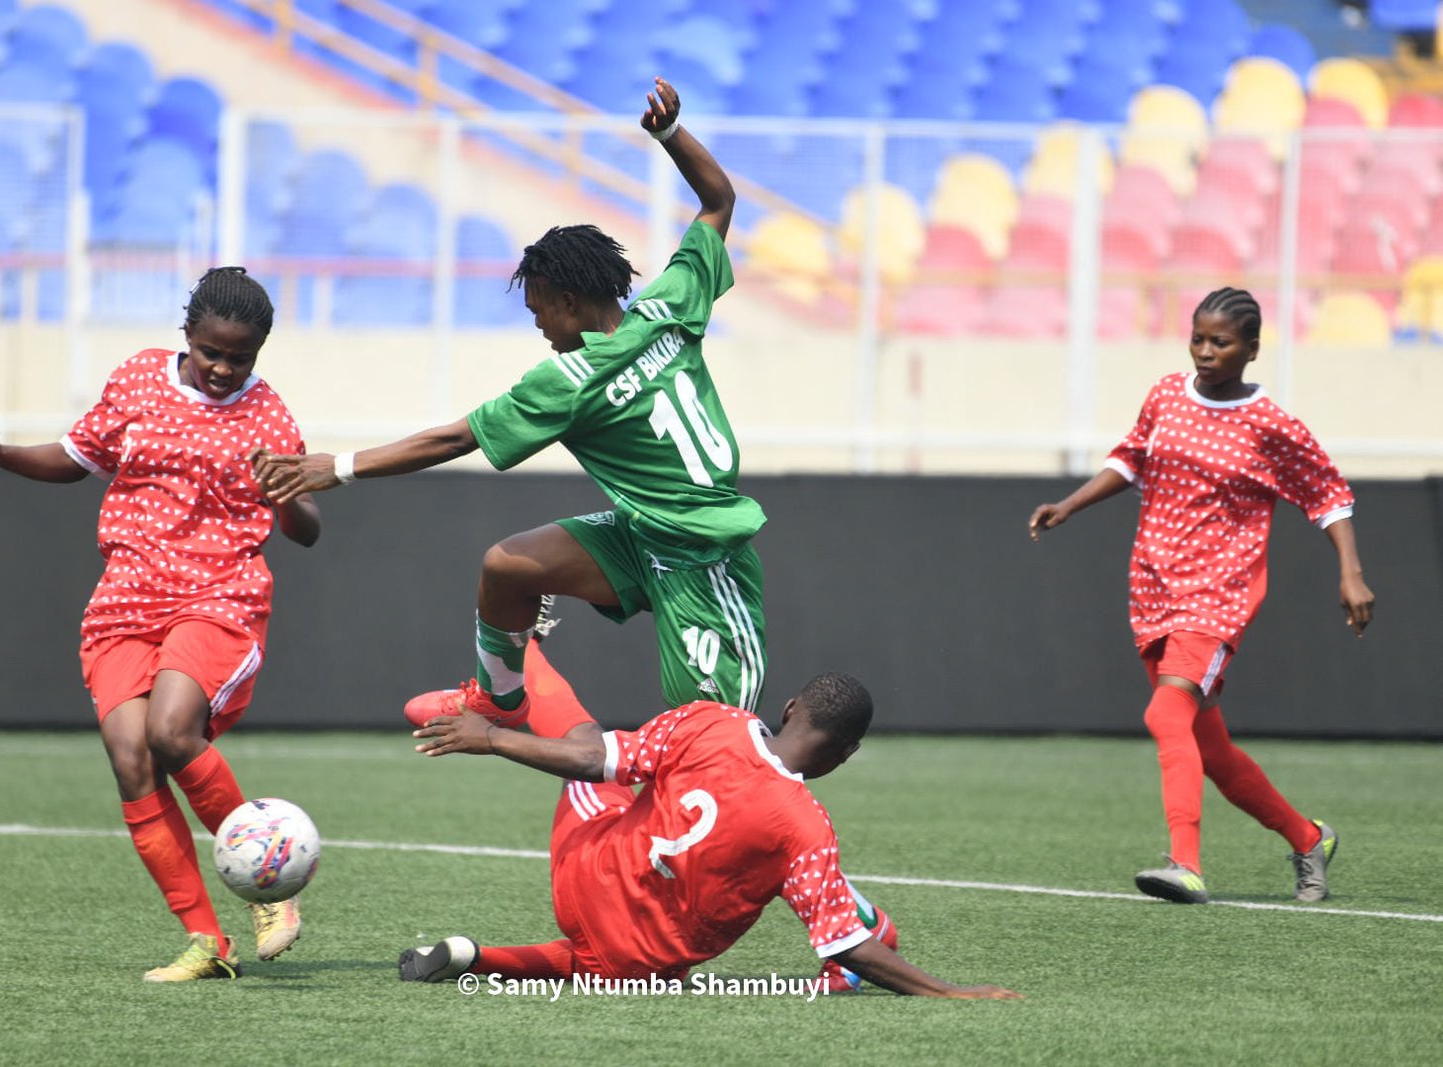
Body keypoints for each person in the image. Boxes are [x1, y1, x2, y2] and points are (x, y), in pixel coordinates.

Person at [252, 77, 767, 726]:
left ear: (568, 301)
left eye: (538, 309)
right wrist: (668, 134)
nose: (538, 325)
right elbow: (719, 200)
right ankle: (500, 699)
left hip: (703, 553)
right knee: (506, 567)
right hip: (643, 534)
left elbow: (456, 438)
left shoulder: (570, 379)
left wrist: (340, 467)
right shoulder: (669, 304)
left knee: (714, 739)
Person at [0, 267, 323, 980]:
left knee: (171, 732)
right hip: (127, 600)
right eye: (211, 352)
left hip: (217, 593)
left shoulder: (267, 415)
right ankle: (207, 942)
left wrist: (284, 491)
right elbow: (75, 459)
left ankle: (271, 887)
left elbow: (306, 529)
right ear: (187, 334)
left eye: (239, 357)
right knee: (131, 758)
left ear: (258, 353)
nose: (223, 368)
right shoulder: (138, 379)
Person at [400, 654, 1022, 1000]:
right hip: (643, 960)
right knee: (618, 969)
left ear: (789, 709)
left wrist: (491, 738)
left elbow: (592, 760)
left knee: (589, 749)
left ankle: (517, 658)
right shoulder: (808, 829)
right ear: (847, 754)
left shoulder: (712, 722)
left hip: (584, 877)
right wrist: (953, 992)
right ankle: (481, 958)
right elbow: (846, 948)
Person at [1028, 287, 1375, 905]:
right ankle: (1308, 838)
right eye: (1198, 339)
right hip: (1154, 586)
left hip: (1218, 593)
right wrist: (1071, 505)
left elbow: (1328, 494)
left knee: (1165, 715)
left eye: (1222, 342)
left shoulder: (1270, 425)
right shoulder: (1167, 395)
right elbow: (1131, 457)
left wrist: (1350, 572)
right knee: (1210, 751)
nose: (1206, 352)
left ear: (1252, 349)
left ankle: (1184, 865)